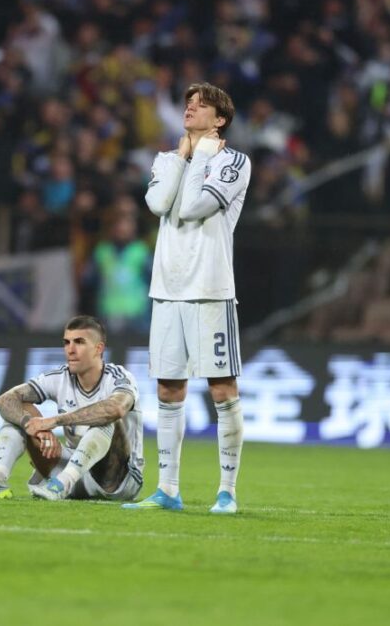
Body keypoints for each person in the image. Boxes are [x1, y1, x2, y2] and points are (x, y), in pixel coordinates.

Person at [123, 82, 251, 514]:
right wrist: (183, 157)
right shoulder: (166, 159)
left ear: (220, 119)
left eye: (202, 105)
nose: (190, 108)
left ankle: (227, 491)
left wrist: (203, 156)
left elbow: (194, 206)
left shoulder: (234, 162)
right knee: (168, 387)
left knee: (222, 388)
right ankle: (168, 489)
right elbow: (159, 203)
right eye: (188, 103)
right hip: (167, 290)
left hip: (210, 289)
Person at [0, 315, 144, 502]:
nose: (70, 350)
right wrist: (32, 425)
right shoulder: (60, 377)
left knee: (106, 418)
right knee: (18, 412)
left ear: (99, 348)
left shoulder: (118, 377)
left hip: (118, 481)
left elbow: (115, 409)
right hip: (75, 472)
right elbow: (5, 400)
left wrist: (53, 421)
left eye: (79, 342)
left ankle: (61, 484)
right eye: (66, 342)